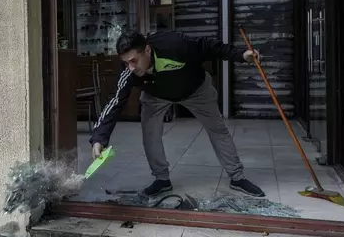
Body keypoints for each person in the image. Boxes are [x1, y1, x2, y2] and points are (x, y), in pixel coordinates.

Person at [90, 30, 266, 198]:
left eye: (134, 61)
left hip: (196, 89)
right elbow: (115, 101)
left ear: (147, 49)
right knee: (150, 133)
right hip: (156, 95)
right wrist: (99, 138)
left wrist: (241, 55)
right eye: (126, 62)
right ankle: (162, 180)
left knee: (217, 130)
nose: (130, 67)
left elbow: (208, 46)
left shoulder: (174, 44)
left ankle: (237, 177)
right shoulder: (128, 71)